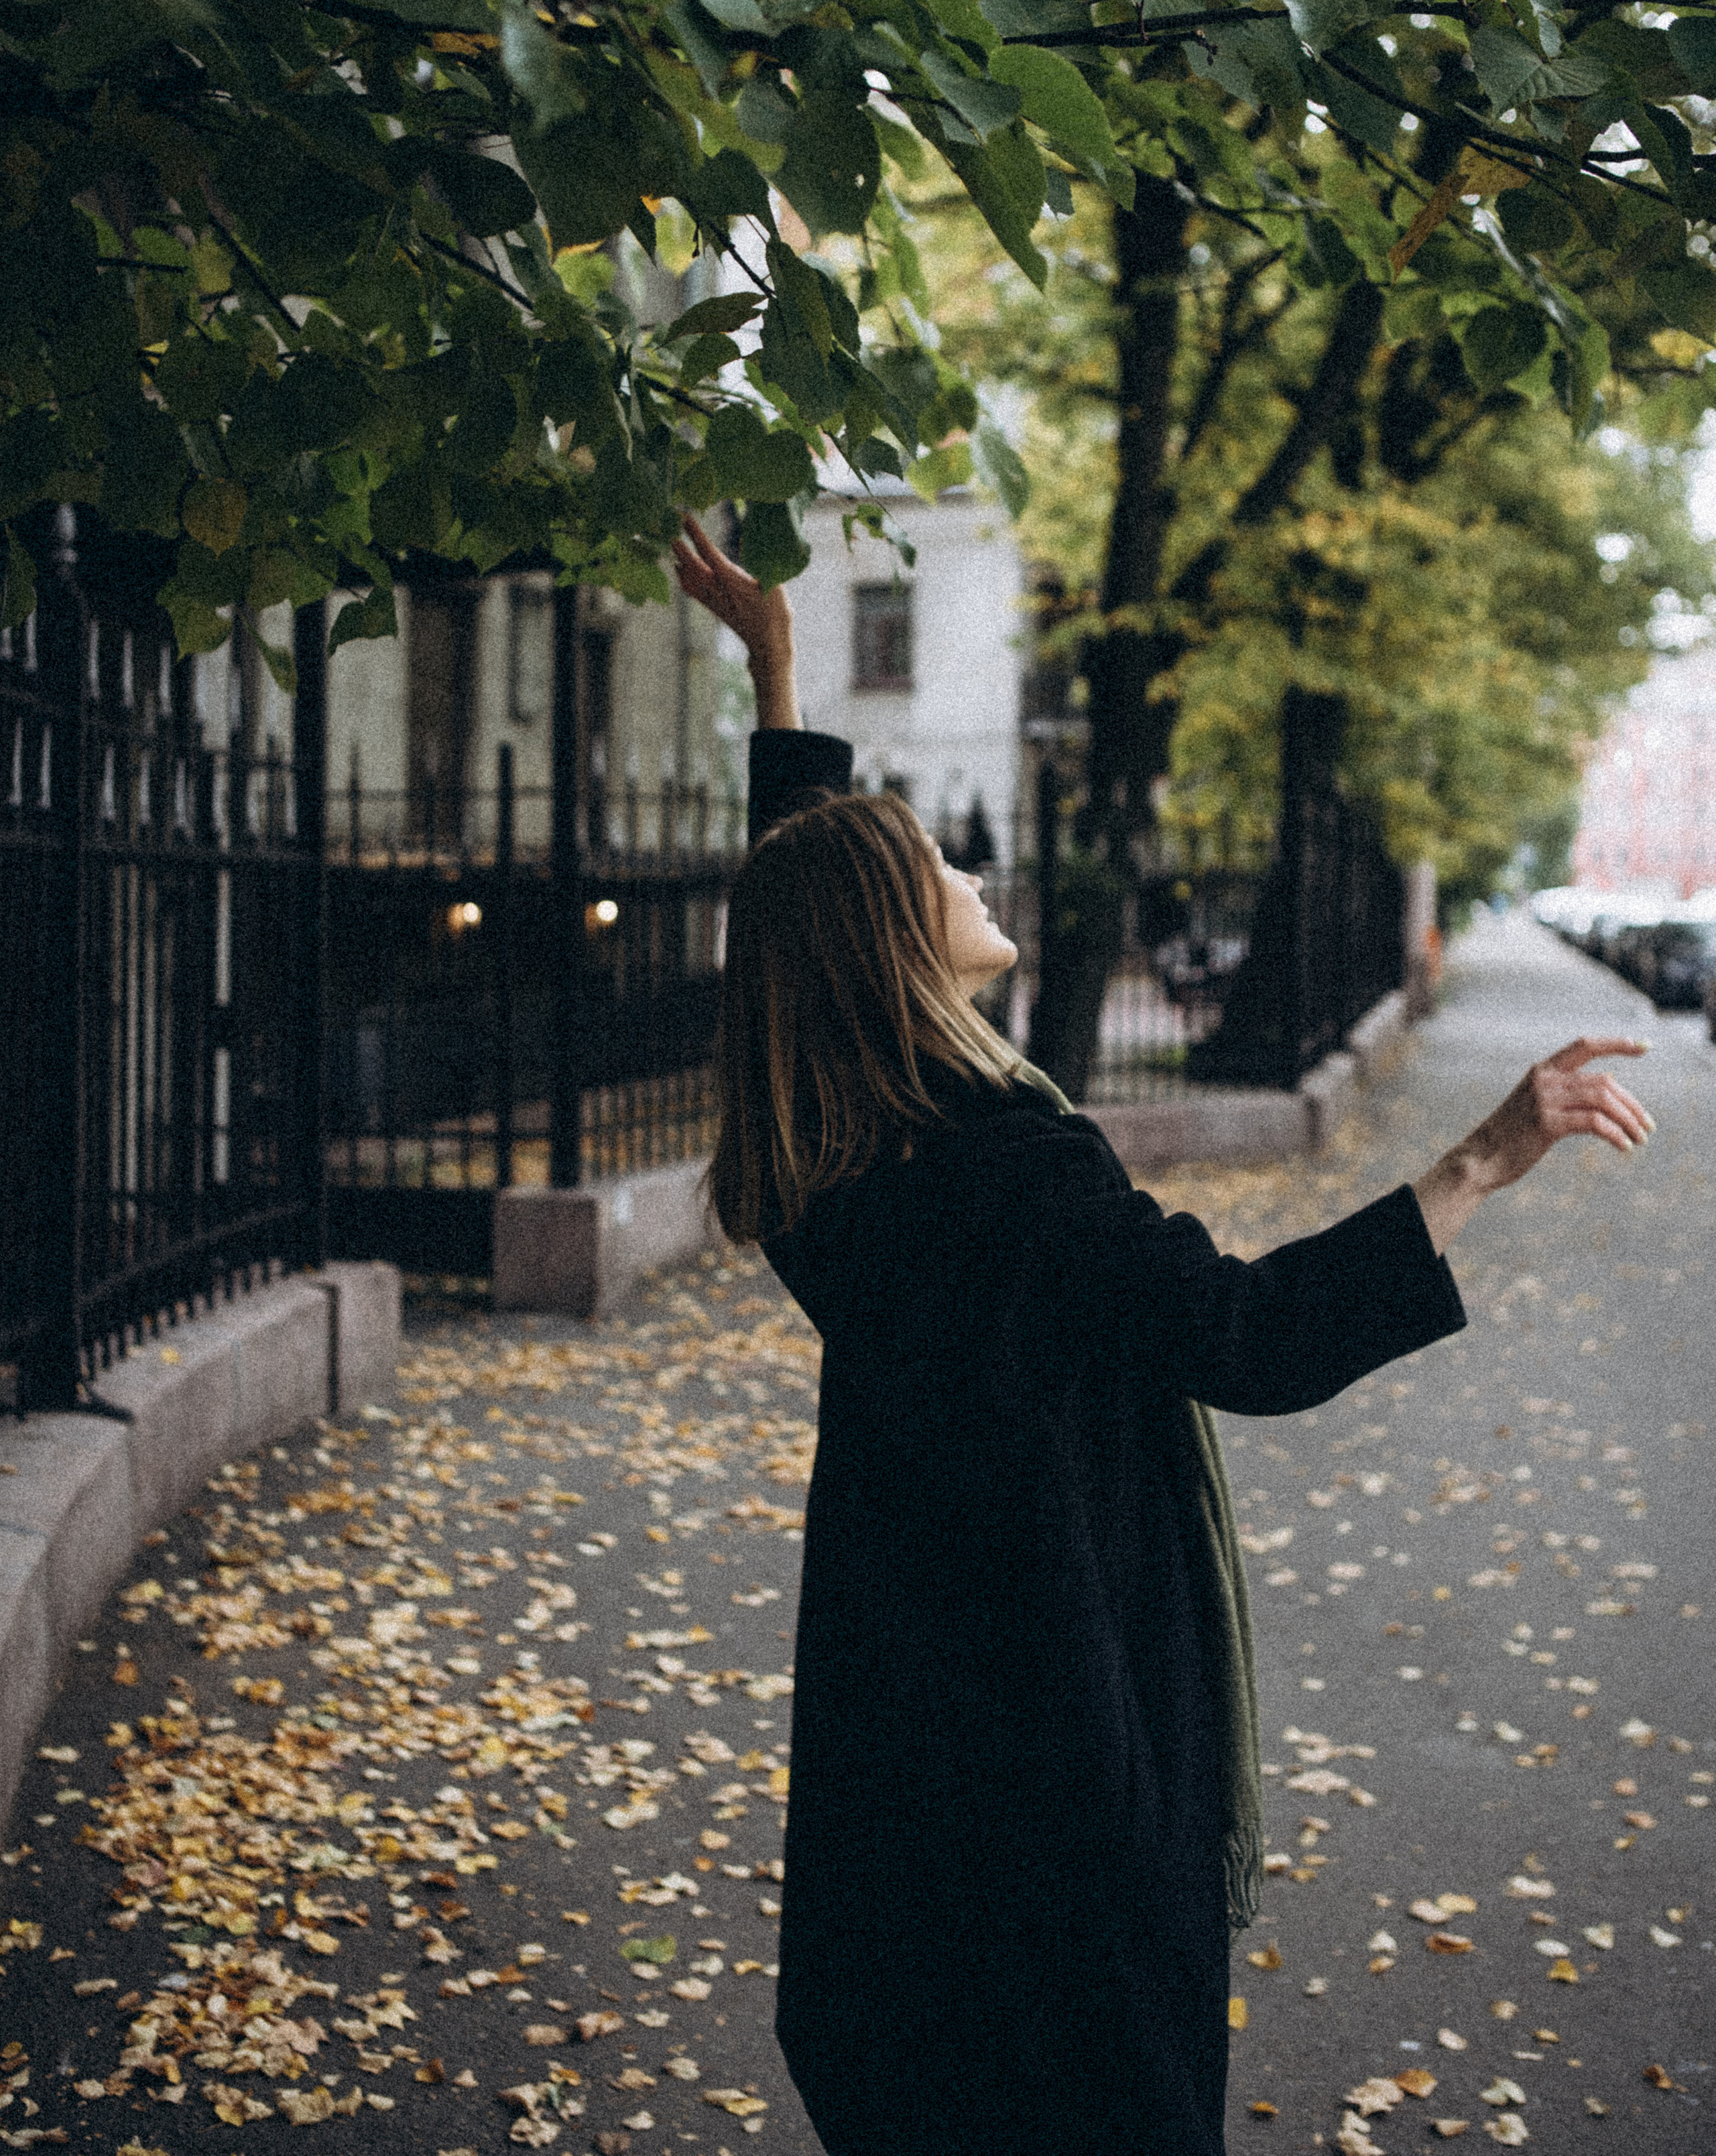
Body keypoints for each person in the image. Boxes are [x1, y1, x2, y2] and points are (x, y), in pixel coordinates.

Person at [671, 514, 1654, 2156]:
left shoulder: (826, 1179)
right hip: (1060, 1763)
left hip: (911, 1768)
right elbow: (1247, 1338)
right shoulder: (1014, 1176)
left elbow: (795, 933)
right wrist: (1483, 1154)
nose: (974, 874)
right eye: (942, 869)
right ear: (907, 944)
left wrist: (778, 675)